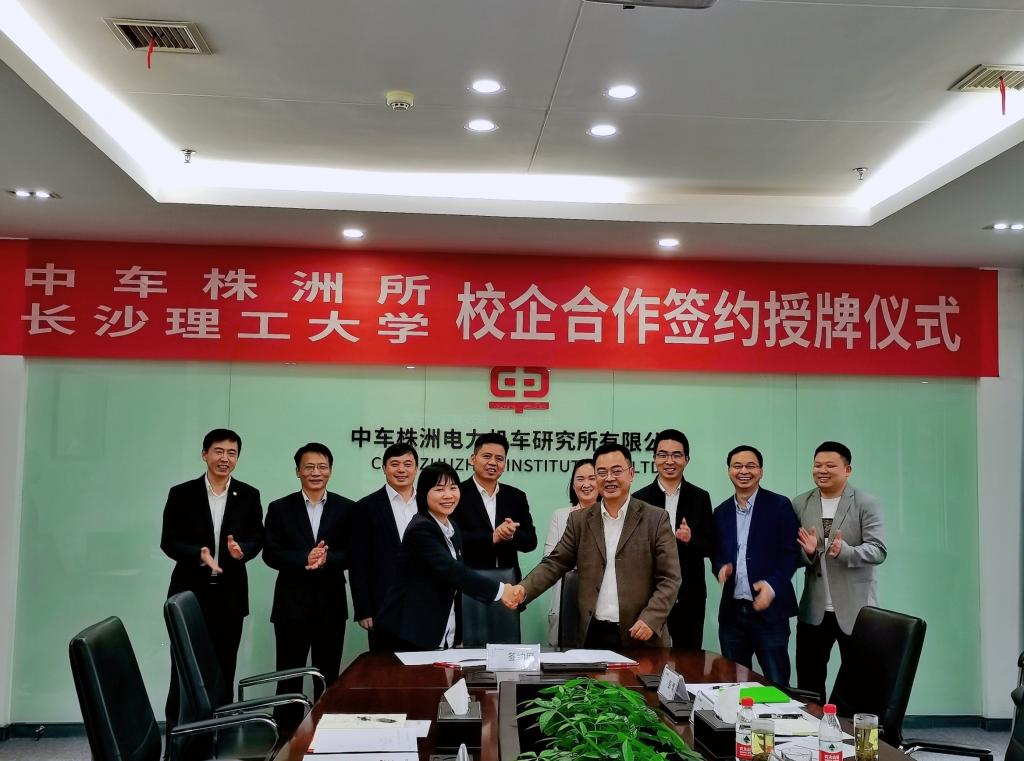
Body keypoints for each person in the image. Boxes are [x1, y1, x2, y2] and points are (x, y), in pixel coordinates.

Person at [508, 444, 681, 649]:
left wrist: (651, 618)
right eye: (602, 472)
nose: (609, 478)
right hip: (593, 633)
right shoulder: (580, 521)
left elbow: (670, 578)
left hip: (640, 633)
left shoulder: (656, 518)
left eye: (616, 471)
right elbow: (555, 563)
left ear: (631, 474)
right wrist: (523, 589)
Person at [160, 428, 264, 753]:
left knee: (223, 671)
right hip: (189, 597)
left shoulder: (249, 495)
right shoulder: (182, 493)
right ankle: (178, 744)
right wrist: (198, 554)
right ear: (204, 454)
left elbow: (256, 538)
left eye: (232, 453)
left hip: (229, 597)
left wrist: (242, 551)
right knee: (183, 672)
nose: (225, 458)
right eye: (219, 451)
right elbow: (169, 541)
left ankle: (218, 742)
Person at [374, 462, 522, 650]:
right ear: (424, 493)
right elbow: (453, 571)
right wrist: (501, 591)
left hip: (438, 628)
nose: (448, 495)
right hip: (407, 631)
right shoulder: (421, 528)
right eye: (439, 489)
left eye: (453, 488)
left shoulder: (451, 527)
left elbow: (454, 582)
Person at [262, 442, 355, 724]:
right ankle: (286, 736)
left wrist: (327, 559)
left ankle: (323, 734)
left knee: (327, 677)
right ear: (298, 471)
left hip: (331, 606)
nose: (316, 472)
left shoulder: (346, 508)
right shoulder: (279, 508)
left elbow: (354, 553)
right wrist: (305, 557)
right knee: (288, 678)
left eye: (322, 467)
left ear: (330, 471)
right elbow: (270, 553)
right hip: (291, 607)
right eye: (309, 467)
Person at [793, 441, 887, 704]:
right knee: (809, 682)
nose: (822, 470)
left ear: (848, 470)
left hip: (856, 610)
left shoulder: (866, 503)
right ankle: (813, 726)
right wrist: (808, 553)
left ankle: (848, 728)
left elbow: (879, 550)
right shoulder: (800, 503)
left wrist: (846, 551)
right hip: (814, 610)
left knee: (858, 682)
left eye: (830, 465)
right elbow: (793, 554)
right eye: (817, 465)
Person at [712, 445, 800, 687]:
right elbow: (716, 552)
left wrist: (772, 586)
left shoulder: (779, 506)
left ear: (761, 471)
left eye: (750, 466)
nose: (744, 471)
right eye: (737, 466)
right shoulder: (721, 512)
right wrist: (720, 568)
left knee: (777, 683)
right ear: (729, 471)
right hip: (732, 614)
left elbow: (791, 553)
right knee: (734, 684)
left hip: (770, 613)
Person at [632, 428, 715, 649]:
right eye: (663, 455)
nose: (669, 461)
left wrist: (690, 539)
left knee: (689, 657)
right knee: (648, 658)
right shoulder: (639, 499)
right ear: (654, 458)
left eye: (677, 455)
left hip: (690, 594)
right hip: (650, 595)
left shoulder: (700, 497)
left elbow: (710, 545)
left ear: (686, 459)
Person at [349, 443, 419, 651]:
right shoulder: (365, 507)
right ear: (384, 468)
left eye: (408, 464)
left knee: (422, 666)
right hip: (383, 606)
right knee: (384, 666)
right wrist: (364, 609)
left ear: (416, 468)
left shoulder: (429, 503)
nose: (401, 469)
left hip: (424, 605)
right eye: (394, 464)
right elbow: (358, 562)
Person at [451, 432, 537, 580]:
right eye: (486, 456)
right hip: (468, 580)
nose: (492, 462)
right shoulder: (456, 494)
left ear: (504, 464)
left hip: (508, 582)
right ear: (473, 459)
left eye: (499, 459)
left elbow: (531, 542)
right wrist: (492, 537)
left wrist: (511, 534)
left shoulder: (516, 496)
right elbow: (451, 538)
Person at [543, 458, 598, 646]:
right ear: (573, 485)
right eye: (580, 479)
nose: (586, 484)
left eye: (592, 478)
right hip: (565, 600)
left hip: (599, 604)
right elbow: (549, 559)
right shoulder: (560, 516)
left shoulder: (609, 516)